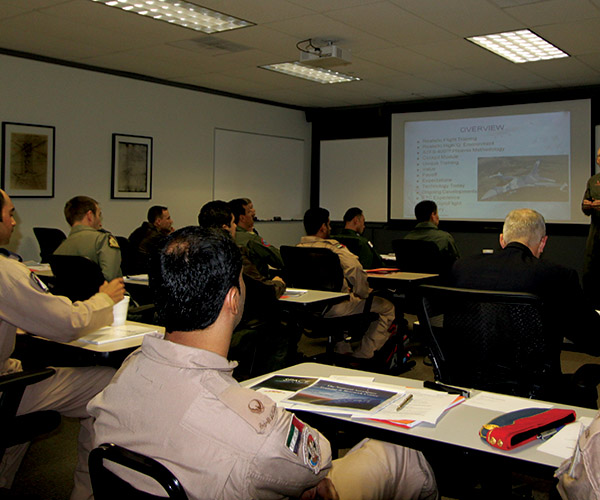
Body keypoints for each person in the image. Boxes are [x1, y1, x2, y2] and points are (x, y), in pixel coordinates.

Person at [88, 226, 437, 500]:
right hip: (267, 466)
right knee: (399, 451)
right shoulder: (256, 427)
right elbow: (316, 462)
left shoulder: (124, 375)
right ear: (232, 299)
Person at [0, 189, 125, 499]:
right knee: (109, 384)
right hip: (3, 387)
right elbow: (66, 323)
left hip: (9, 373)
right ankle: (87, 493)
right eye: (9, 213)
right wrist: (104, 299)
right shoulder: (6, 273)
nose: (14, 221)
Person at [450, 208, 600, 406]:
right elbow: (592, 339)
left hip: (467, 385)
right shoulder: (557, 276)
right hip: (536, 393)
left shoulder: (463, 268)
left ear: (502, 240)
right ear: (543, 243)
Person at [198, 201, 288, 377]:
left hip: (199, 326)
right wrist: (279, 283)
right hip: (237, 323)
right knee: (281, 327)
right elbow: (263, 291)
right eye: (232, 224)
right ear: (225, 227)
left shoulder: (192, 250)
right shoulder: (234, 254)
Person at [298, 208, 396, 361]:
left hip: (307, 310)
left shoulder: (296, 249)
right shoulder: (332, 248)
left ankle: (342, 347)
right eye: (329, 225)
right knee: (387, 307)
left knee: (345, 300)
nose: (330, 228)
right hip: (334, 308)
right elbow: (355, 269)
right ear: (323, 227)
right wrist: (363, 293)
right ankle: (364, 355)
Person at [54, 195, 122, 281]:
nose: (100, 222)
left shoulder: (61, 248)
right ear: (90, 216)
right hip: (104, 293)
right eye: (99, 215)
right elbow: (110, 278)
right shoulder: (102, 240)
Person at [230, 197, 284, 276]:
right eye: (249, 211)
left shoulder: (226, 236)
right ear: (242, 218)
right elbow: (279, 259)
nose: (254, 212)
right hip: (258, 283)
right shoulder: (251, 239)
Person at [404, 200, 460, 269]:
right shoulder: (444, 238)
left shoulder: (407, 239)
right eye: (436, 214)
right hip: (438, 278)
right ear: (433, 215)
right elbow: (457, 262)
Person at [128, 205, 174, 274]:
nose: (171, 221)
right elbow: (169, 256)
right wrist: (172, 238)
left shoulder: (139, 231)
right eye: (168, 218)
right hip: (144, 273)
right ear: (158, 221)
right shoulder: (156, 237)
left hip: (131, 272)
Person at [581, 147, 600, 307]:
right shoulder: (593, 180)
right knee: (590, 269)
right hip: (595, 232)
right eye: (598, 156)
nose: (599, 159)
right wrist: (587, 205)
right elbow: (585, 205)